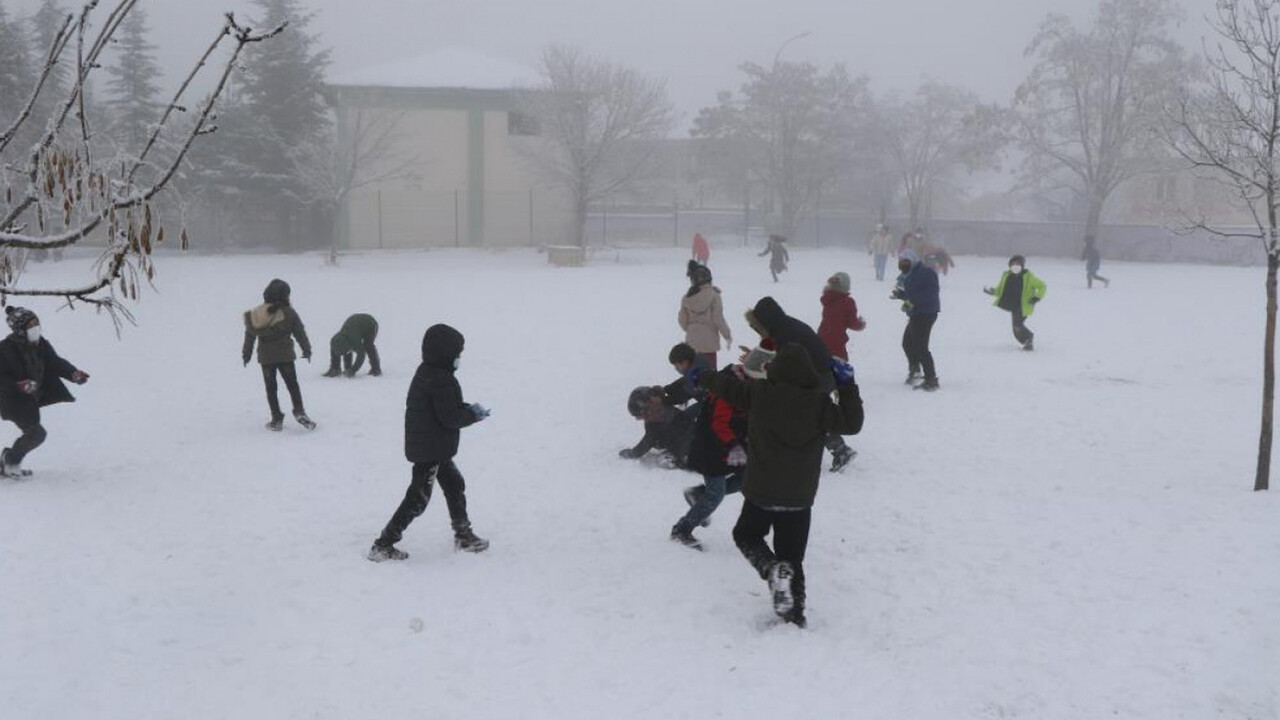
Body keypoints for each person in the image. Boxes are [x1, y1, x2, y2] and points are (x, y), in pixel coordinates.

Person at [693, 344, 864, 628]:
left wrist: (703, 376)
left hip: (761, 492)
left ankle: (771, 569)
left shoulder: (761, 394)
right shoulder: (820, 403)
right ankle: (794, 615)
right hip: (799, 498)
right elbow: (852, 423)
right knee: (793, 558)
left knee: (746, 535)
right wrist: (847, 386)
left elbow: (727, 388)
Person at [368, 323, 490, 562]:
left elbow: (445, 409)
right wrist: (473, 415)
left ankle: (463, 534)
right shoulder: (441, 380)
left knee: (454, 484)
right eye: (457, 354)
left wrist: (466, 409)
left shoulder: (429, 372)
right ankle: (383, 544)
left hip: (432, 446)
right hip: (430, 449)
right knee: (418, 499)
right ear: (445, 354)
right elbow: (450, 417)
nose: (459, 358)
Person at [743, 296, 855, 472]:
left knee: (806, 414)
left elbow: (783, 365)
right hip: (820, 374)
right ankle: (838, 449)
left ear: (765, 321)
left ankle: (839, 450)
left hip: (819, 376)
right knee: (807, 414)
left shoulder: (784, 335)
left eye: (756, 325)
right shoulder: (785, 327)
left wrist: (759, 365)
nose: (756, 330)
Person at [0, 307, 89, 476]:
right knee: (37, 434)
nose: (36, 328)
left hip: (31, 398)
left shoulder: (41, 344)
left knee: (35, 433)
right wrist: (19, 385)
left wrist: (73, 373)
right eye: (31, 326)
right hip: (13, 400)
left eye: (37, 324)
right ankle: (9, 461)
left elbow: (54, 362)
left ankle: (8, 461)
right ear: (20, 330)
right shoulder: (5, 349)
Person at [670, 364, 749, 551]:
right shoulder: (729, 389)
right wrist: (733, 445)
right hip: (712, 448)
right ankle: (681, 529)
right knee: (715, 494)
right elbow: (719, 423)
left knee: (745, 480)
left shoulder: (747, 383)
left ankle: (698, 494)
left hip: (731, 444)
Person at [242, 279, 315, 431]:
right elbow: (300, 332)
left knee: (271, 388)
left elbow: (249, 335)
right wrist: (306, 349)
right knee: (292, 385)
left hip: (266, 359)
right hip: (285, 357)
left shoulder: (257, 313)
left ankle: (276, 418)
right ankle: (299, 411)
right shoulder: (289, 313)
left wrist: (246, 353)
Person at [892, 249, 941, 391]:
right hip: (916, 313)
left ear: (913, 261)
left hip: (926, 313)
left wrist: (911, 301)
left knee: (920, 347)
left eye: (905, 261)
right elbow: (913, 293)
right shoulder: (911, 274)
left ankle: (931, 379)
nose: (902, 264)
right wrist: (901, 295)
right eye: (900, 261)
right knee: (907, 343)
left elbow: (930, 293)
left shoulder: (927, 273)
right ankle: (915, 370)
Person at [619, 386, 696, 470]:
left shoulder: (664, 416)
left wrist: (634, 453)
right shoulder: (656, 420)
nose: (646, 418)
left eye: (646, 413)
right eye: (641, 417)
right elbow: (649, 440)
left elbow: (648, 441)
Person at [984, 254, 1047, 351]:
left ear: (1022, 265)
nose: (1015, 266)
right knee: (1015, 328)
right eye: (1013, 264)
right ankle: (1026, 341)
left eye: (1018, 263)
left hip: (1024, 305)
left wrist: (1037, 297)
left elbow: (1043, 286)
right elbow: (999, 290)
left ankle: (1029, 338)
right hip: (1013, 305)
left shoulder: (1029, 277)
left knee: (1017, 325)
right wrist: (991, 291)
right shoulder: (1006, 276)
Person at [679, 261, 732, 368]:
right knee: (710, 375)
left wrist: (691, 329)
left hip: (692, 342)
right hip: (709, 343)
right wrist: (727, 335)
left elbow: (682, 320)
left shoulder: (687, 298)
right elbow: (718, 319)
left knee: (693, 374)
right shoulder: (714, 296)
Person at [817, 272, 866, 361]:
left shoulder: (827, 299)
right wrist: (861, 324)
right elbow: (852, 323)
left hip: (821, 337)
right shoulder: (848, 302)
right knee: (839, 368)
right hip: (836, 341)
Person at [323, 313, 381, 378]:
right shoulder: (335, 340)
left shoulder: (355, 340)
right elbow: (342, 351)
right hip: (355, 326)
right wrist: (341, 367)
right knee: (339, 348)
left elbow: (361, 355)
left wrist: (353, 370)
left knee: (368, 345)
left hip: (370, 324)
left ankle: (376, 369)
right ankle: (335, 369)